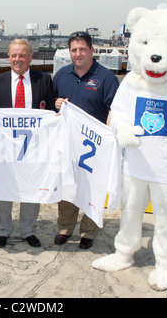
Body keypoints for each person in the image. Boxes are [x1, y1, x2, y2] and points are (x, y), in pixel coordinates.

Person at [53, 31, 119, 249]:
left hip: (94, 146)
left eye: (82, 49)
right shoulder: (62, 75)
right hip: (68, 143)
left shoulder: (106, 78)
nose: (78, 54)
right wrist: (57, 103)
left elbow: (114, 110)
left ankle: (89, 231)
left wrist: (108, 140)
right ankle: (65, 227)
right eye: (74, 50)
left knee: (92, 187)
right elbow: (54, 101)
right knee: (68, 186)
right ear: (69, 52)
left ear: (92, 50)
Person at [0, 39, 55, 248]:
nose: (18, 59)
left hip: (34, 147)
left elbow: (52, 112)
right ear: (8, 58)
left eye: (22, 55)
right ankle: (3, 230)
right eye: (14, 55)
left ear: (30, 58)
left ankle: (28, 230)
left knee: (31, 188)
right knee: (2, 188)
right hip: (4, 148)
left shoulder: (44, 80)